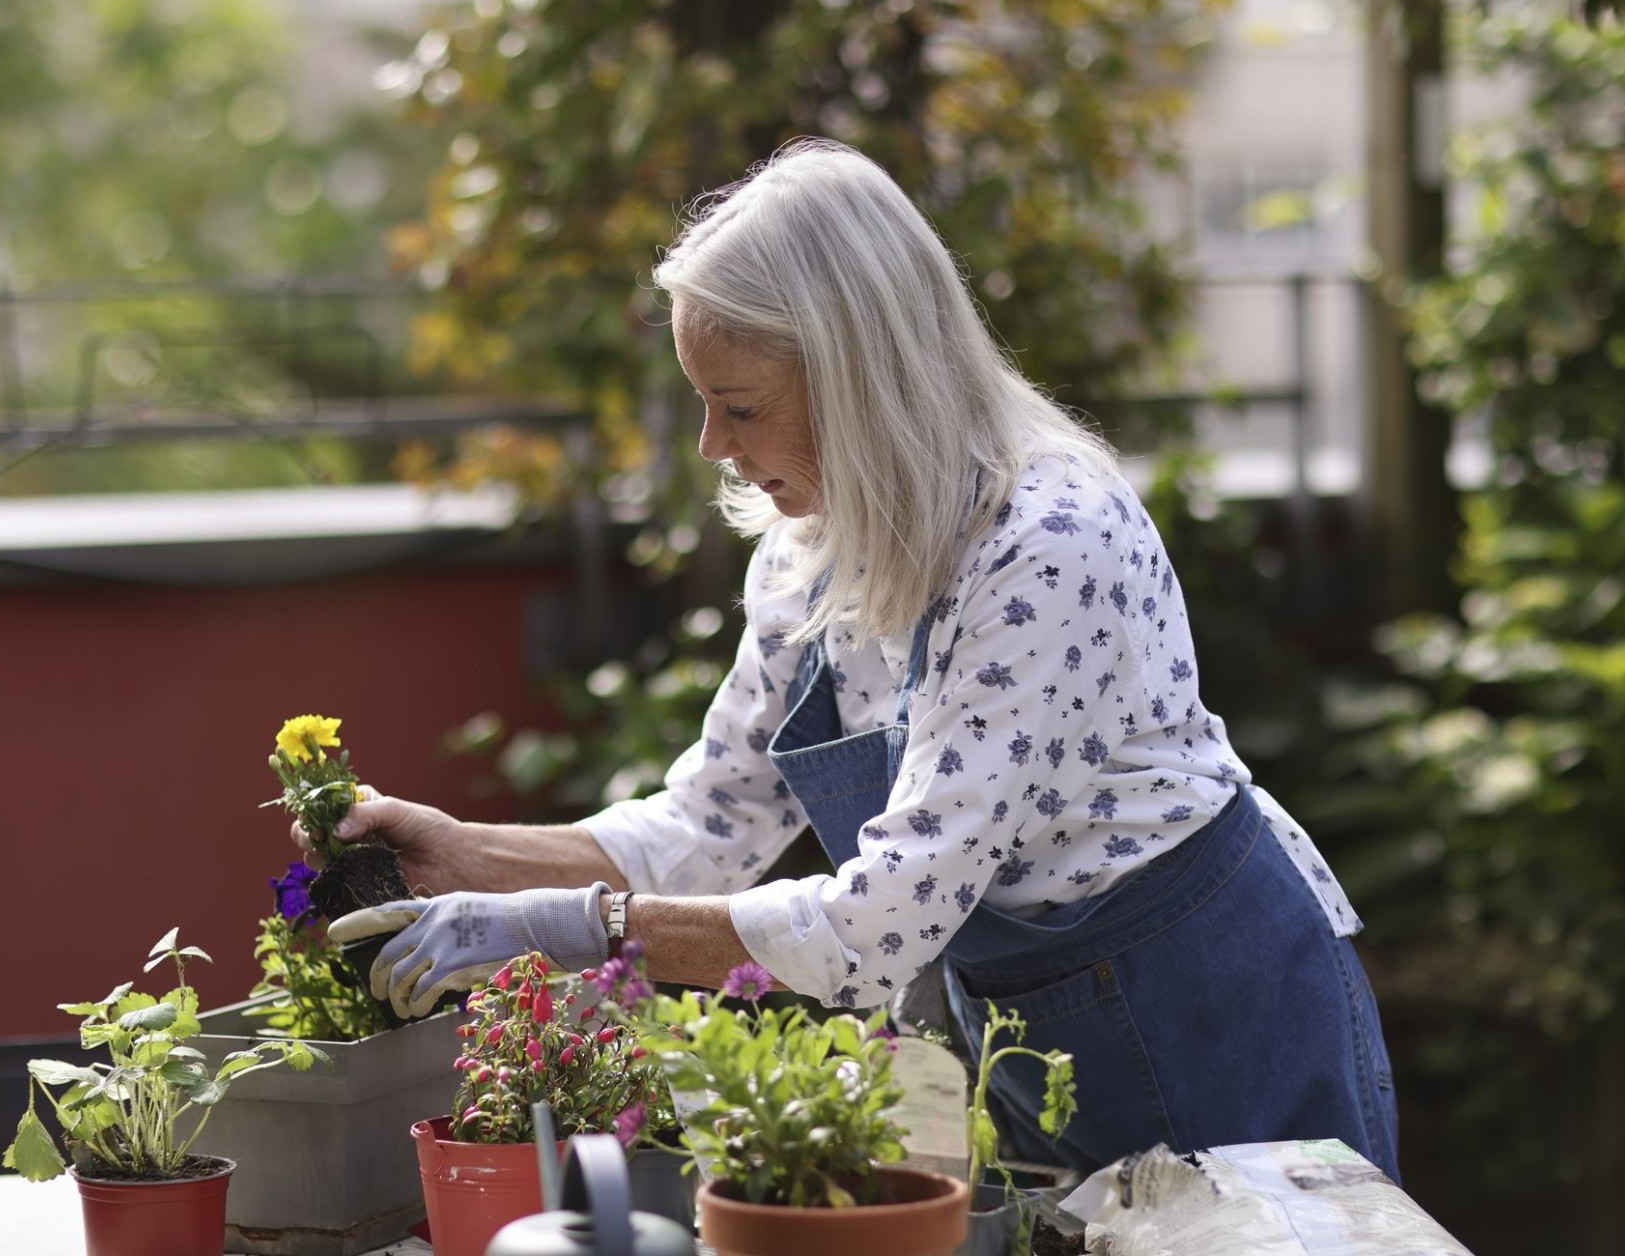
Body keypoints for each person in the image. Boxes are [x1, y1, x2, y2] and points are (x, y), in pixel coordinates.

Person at [317, 139, 1399, 1182]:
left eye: (739, 406)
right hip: (1039, 1035)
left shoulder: (1045, 544)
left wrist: (570, 928)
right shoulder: (811, 552)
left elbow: (878, 925)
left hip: (1216, 1013)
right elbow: (707, 826)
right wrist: (469, 858)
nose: (712, 444)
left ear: (859, 377)